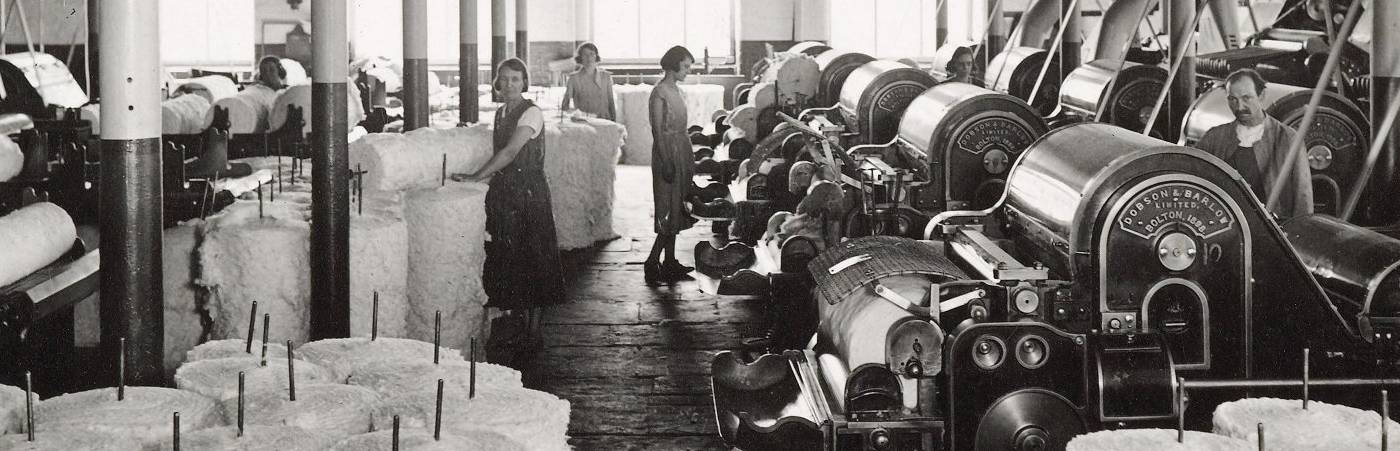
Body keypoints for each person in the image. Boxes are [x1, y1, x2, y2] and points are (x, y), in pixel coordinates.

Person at [451, 58, 564, 351]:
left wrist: (477, 176)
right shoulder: (501, 113)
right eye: (504, 79)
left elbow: (512, 150)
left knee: (535, 256)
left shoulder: (531, 113)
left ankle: (534, 331)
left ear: (524, 82)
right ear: (497, 83)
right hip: (505, 191)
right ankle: (518, 324)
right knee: (511, 256)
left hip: (527, 191)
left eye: (516, 79)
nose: (510, 85)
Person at [1195, 68, 1313, 219]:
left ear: (1261, 96)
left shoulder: (1287, 138)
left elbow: (1303, 198)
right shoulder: (1214, 137)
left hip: (1273, 228)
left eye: (1246, 98)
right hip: (1225, 225)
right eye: (1233, 99)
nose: (1240, 107)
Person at [645, 46, 698, 283]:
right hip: (667, 152)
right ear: (674, 65)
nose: (688, 71)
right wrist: (666, 160)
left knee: (677, 206)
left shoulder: (676, 89)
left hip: (681, 149)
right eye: (685, 66)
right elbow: (657, 130)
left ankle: (669, 261)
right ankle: (652, 261)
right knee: (668, 207)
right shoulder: (659, 92)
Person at [561, 42, 617, 121]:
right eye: (585, 54)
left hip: (604, 121)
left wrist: (613, 122)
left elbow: (611, 103)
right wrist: (575, 115)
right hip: (584, 122)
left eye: (591, 54)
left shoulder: (606, 77)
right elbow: (565, 106)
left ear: (596, 56)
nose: (589, 58)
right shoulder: (573, 78)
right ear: (580, 58)